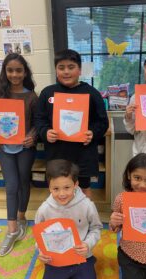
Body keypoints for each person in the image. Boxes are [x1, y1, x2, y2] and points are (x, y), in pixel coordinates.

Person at [34, 49, 109, 198]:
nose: (66, 72)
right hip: (57, 154)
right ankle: (62, 219)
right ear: (56, 70)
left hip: (83, 154)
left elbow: (102, 121)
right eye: (61, 68)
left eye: (71, 67)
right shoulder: (47, 93)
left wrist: (92, 133)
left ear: (80, 70)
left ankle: (86, 220)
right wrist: (45, 132)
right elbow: (39, 119)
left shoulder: (92, 93)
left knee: (84, 189)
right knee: (58, 190)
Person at [0, 53, 38, 256]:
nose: (15, 74)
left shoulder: (32, 96)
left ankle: (22, 217)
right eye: (10, 70)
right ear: (5, 72)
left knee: (24, 182)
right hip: (5, 148)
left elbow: (38, 123)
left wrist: (33, 136)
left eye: (19, 70)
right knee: (11, 186)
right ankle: (12, 230)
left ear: (25, 72)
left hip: (25, 148)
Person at [35, 159, 102, 279]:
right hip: (56, 261)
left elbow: (96, 228)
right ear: (49, 187)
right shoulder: (44, 210)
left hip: (82, 258)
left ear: (76, 185)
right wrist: (41, 251)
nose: (62, 194)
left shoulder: (87, 205)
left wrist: (87, 244)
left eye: (67, 187)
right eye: (56, 189)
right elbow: (39, 236)